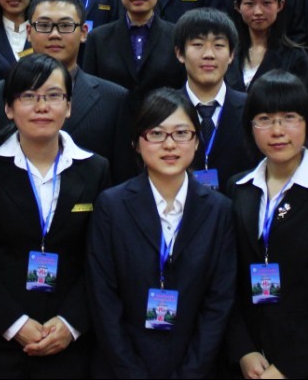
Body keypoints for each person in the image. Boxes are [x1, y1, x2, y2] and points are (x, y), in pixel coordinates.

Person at [0, 54, 112, 378]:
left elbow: (101, 260)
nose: (42, 107)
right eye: (28, 96)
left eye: (53, 96)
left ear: (69, 106)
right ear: (9, 108)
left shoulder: (95, 169)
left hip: (68, 345)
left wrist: (71, 323)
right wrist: (14, 324)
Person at [86, 88, 236, 377]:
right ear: (136, 143)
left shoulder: (219, 211)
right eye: (156, 134)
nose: (169, 145)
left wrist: (191, 372)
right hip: (122, 366)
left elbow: (218, 303)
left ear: (197, 141)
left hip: (196, 365)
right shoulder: (111, 206)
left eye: (181, 133)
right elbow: (103, 299)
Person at [227, 71, 308, 379]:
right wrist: (243, 350)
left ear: (307, 123)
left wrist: (287, 367)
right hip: (250, 364)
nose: (277, 131)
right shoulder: (238, 188)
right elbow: (226, 280)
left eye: (289, 118)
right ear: (250, 126)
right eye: (264, 119)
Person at [0, 0, 129, 171]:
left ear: (84, 32)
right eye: (44, 25)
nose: (54, 34)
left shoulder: (114, 99)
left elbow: (122, 174)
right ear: (28, 32)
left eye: (65, 25)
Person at [82, 0, 187, 111]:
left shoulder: (177, 36)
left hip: (163, 123)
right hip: (110, 123)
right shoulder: (97, 38)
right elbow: (90, 93)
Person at [173, 7, 256, 192]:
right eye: (198, 44)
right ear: (179, 53)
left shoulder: (252, 108)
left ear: (231, 54)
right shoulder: (165, 111)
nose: (209, 54)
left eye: (218, 45)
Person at [230, 0, 308, 94]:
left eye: (266, 3)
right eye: (249, 3)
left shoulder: (295, 56)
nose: (258, 11)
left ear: (280, 5)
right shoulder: (228, 54)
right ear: (237, 6)